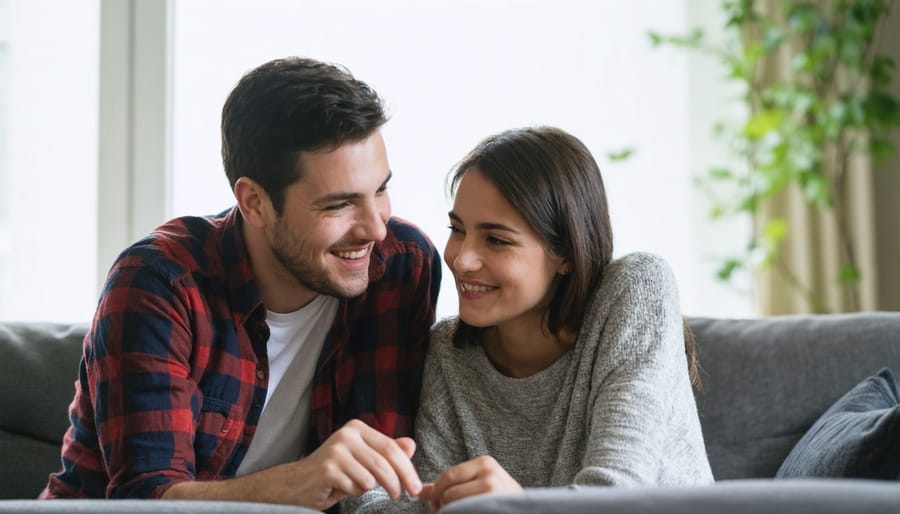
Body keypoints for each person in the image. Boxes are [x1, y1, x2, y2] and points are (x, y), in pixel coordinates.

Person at [40, 57, 441, 512]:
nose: (376, 229)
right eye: (339, 205)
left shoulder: (401, 266)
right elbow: (146, 500)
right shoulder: (160, 283)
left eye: (380, 191)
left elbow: (377, 482)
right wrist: (299, 482)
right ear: (255, 202)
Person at [349, 126, 713, 514]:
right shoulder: (450, 352)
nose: (461, 259)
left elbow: (615, 499)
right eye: (458, 230)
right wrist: (358, 486)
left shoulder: (636, 287)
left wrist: (513, 507)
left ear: (567, 254)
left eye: (497, 240)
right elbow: (430, 503)